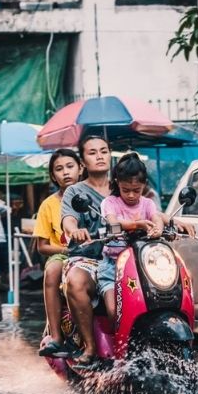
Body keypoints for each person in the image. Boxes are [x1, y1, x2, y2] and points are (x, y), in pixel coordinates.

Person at [60, 136, 112, 368]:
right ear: (82, 163)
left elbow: (149, 211)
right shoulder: (75, 192)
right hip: (87, 258)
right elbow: (68, 220)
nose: (99, 156)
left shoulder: (125, 187)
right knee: (75, 282)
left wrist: (171, 222)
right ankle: (90, 347)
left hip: (122, 258)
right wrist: (75, 230)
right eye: (92, 153)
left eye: (104, 151)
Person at [98, 153, 163, 318]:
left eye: (137, 190)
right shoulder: (110, 203)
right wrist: (137, 224)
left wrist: (159, 230)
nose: (132, 195)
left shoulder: (148, 203)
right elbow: (112, 222)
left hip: (142, 265)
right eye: (126, 190)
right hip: (112, 266)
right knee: (114, 312)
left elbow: (157, 218)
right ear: (117, 183)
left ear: (144, 185)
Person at [35, 148, 82, 358]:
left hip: (98, 254)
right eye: (59, 169)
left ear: (80, 168)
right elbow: (42, 246)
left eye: (70, 166)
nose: (66, 173)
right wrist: (67, 250)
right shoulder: (48, 205)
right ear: (53, 176)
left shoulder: (94, 194)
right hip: (63, 256)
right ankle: (56, 336)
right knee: (52, 269)